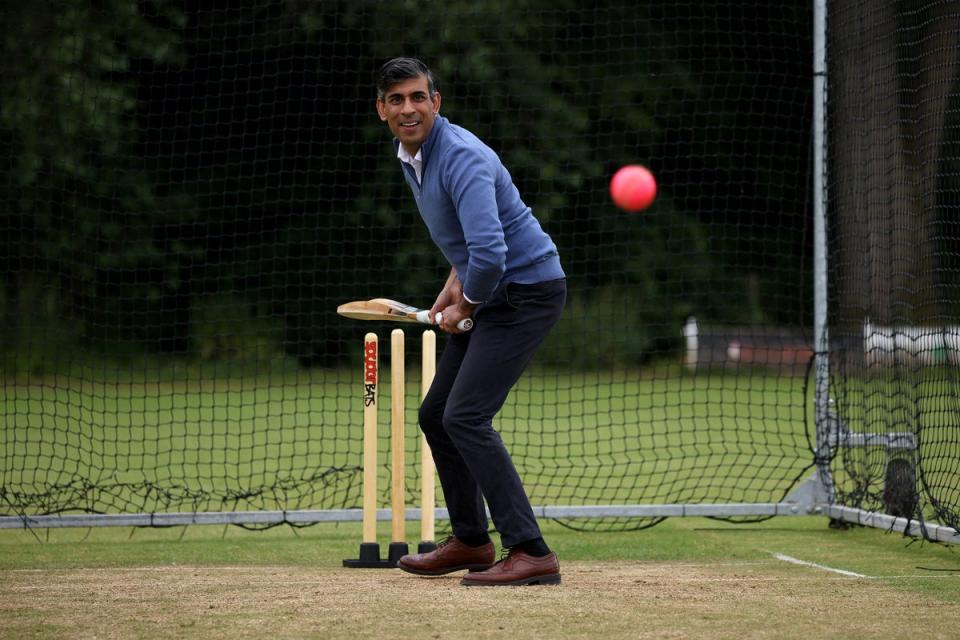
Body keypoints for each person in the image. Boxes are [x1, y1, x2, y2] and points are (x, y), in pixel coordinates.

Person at [375, 57, 567, 586]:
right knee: (437, 414)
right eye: (397, 100)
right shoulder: (412, 155)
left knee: (465, 417)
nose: (408, 108)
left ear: (436, 102)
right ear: (382, 111)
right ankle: (472, 542)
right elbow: (471, 244)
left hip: (526, 292)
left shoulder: (459, 155)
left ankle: (532, 551)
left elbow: (492, 252)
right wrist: (454, 283)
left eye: (418, 97)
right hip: (495, 289)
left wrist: (467, 305)